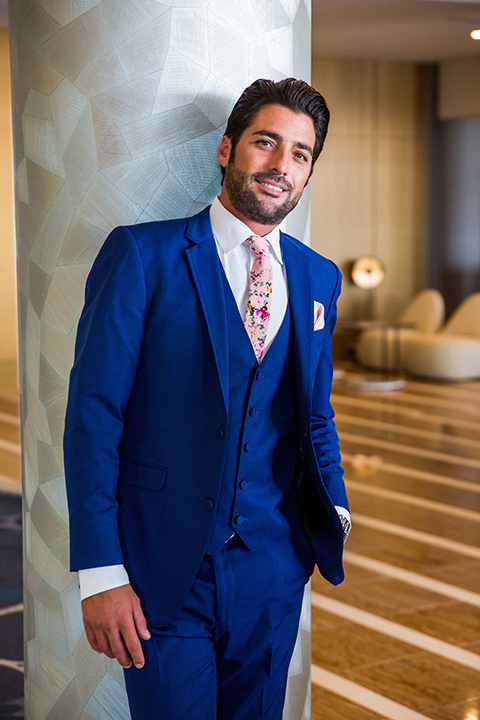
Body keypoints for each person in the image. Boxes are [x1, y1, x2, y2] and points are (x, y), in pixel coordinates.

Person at [63, 77, 350, 720]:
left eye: (301, 154)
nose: (281, 166)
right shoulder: (142, 254)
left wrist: (335, 511)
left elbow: (314, 415)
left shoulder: (318, 277)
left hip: (273, 572)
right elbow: (93, 419)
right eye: (266, 143)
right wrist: (101, 574)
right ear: (227, 150)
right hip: (161, 572)